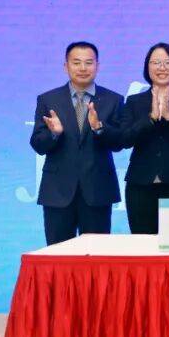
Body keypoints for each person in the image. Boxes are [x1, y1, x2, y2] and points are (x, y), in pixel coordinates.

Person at [29, 41, 124, 245]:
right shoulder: (48, 100)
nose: (83, 68)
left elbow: (119, 142)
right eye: (76, 62)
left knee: (96, 255)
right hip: (58, 192)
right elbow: (37, 143)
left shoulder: (113, 100)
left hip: (98, 191)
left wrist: (99, 128)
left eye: (89, 63)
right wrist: (54, 134)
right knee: (58, 256)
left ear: (97, 66)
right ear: (66, 66)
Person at [119, 43, 169, 234]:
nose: (161, 68)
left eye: (168, 62)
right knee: (142, 244)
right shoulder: (134, 101)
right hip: (140, 185)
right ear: (147, 68)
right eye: (156, 62)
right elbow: (125, 139)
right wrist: (150, 119)